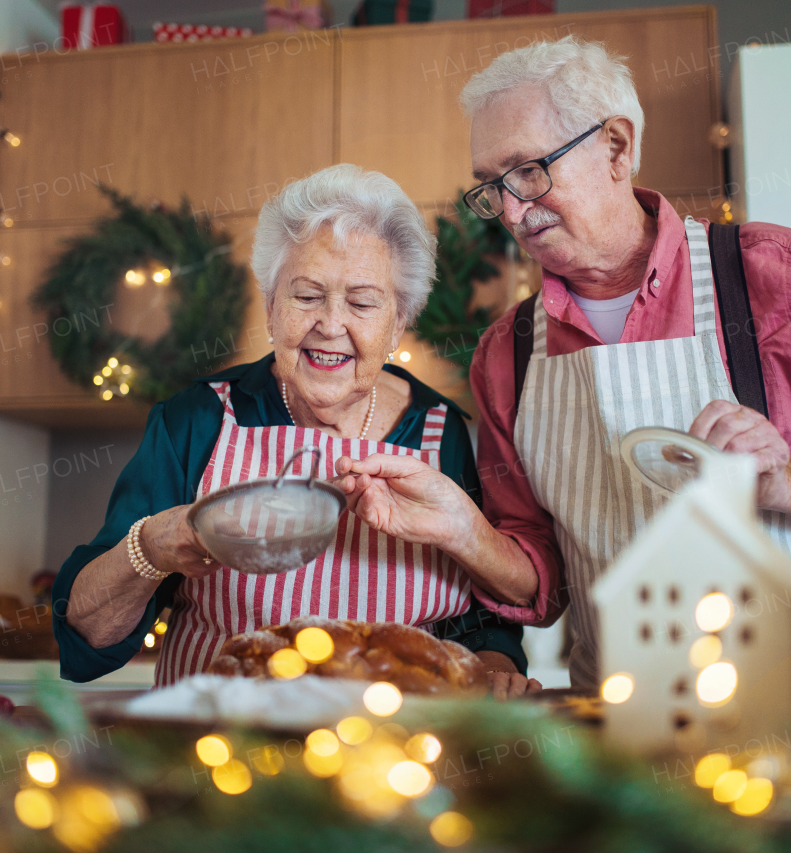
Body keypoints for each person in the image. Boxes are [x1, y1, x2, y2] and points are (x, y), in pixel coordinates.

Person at [334, 37, 791, 690]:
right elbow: (546, 583)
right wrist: (463, 529)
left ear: (617, 146)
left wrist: (786, 482)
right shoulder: (507, 354)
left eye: (528, 171)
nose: (510, 210)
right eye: (491, 188)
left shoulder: (770, 277)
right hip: (621, 724)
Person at [52, 164, 539, 699]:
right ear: (270, 306)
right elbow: (88, 635)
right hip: (219, 749)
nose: (330, 325)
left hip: (389, 752)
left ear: (399, 321)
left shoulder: (443, 433)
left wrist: (490, 670)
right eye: (306, 296)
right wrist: (153, 545)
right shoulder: (199, 419)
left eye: (362, 302)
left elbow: (483, 619)